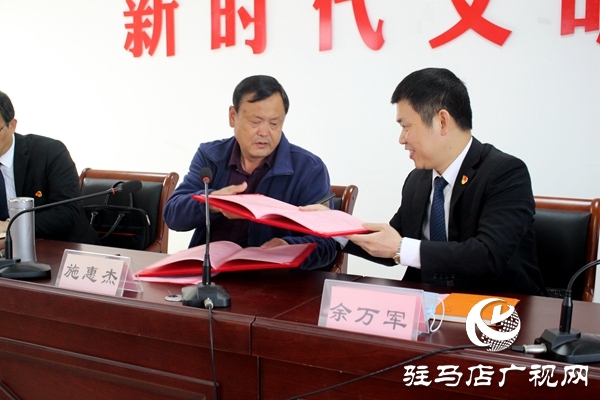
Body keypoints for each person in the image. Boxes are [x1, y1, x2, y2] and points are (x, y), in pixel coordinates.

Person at [340, 68, 545, 295]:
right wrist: (333, 229)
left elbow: (488, 255)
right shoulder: (418, 180)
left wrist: (400, 247)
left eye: (406, 126)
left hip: (498, 305)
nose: (402, 139)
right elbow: (390, 244)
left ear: (442, 121)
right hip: (430, 305)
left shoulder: (505, 173)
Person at [163, 75, 337, 270]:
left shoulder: (309, 168)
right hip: (208, 274)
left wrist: (289, 247)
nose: (264, 132)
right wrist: (211, 202)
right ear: (233, 116)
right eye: (255, 121)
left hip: (273, 279)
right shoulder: (211, 156)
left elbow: (328, 245)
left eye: (274, 123)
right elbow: (173, 215)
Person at [0, 90, 99, 247]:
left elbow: (67, 212)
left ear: (12, 125)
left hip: (64, 247)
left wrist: (11, 225)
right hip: (8, 249)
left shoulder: (49, 152)